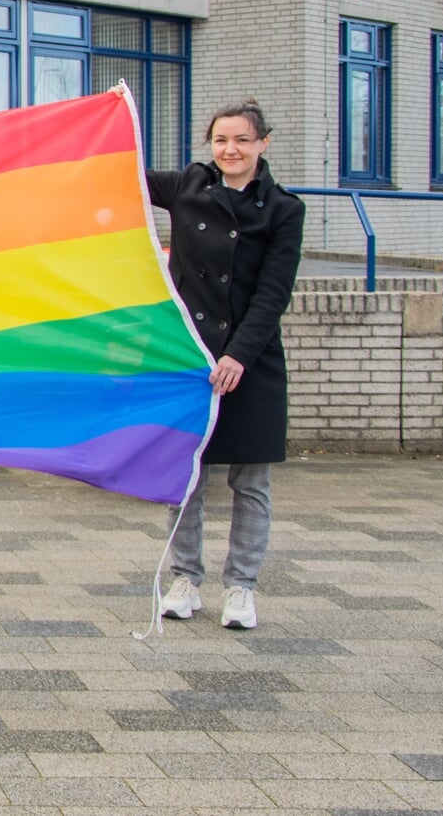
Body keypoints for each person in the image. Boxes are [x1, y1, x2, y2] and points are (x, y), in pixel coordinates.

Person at [145, 97, 305, 630]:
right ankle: (185, 578)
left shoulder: (285, 209)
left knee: (251, 481)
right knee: (187, 476)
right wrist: (109, 115)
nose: (229, 149)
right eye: (220, 140)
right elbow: (120, 176)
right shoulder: (187, 185)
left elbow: (272, 294)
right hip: (191, 357)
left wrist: (239, 353)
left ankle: (241, 588)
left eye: (240, 139)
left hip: (251, 361)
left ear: (263, 143)